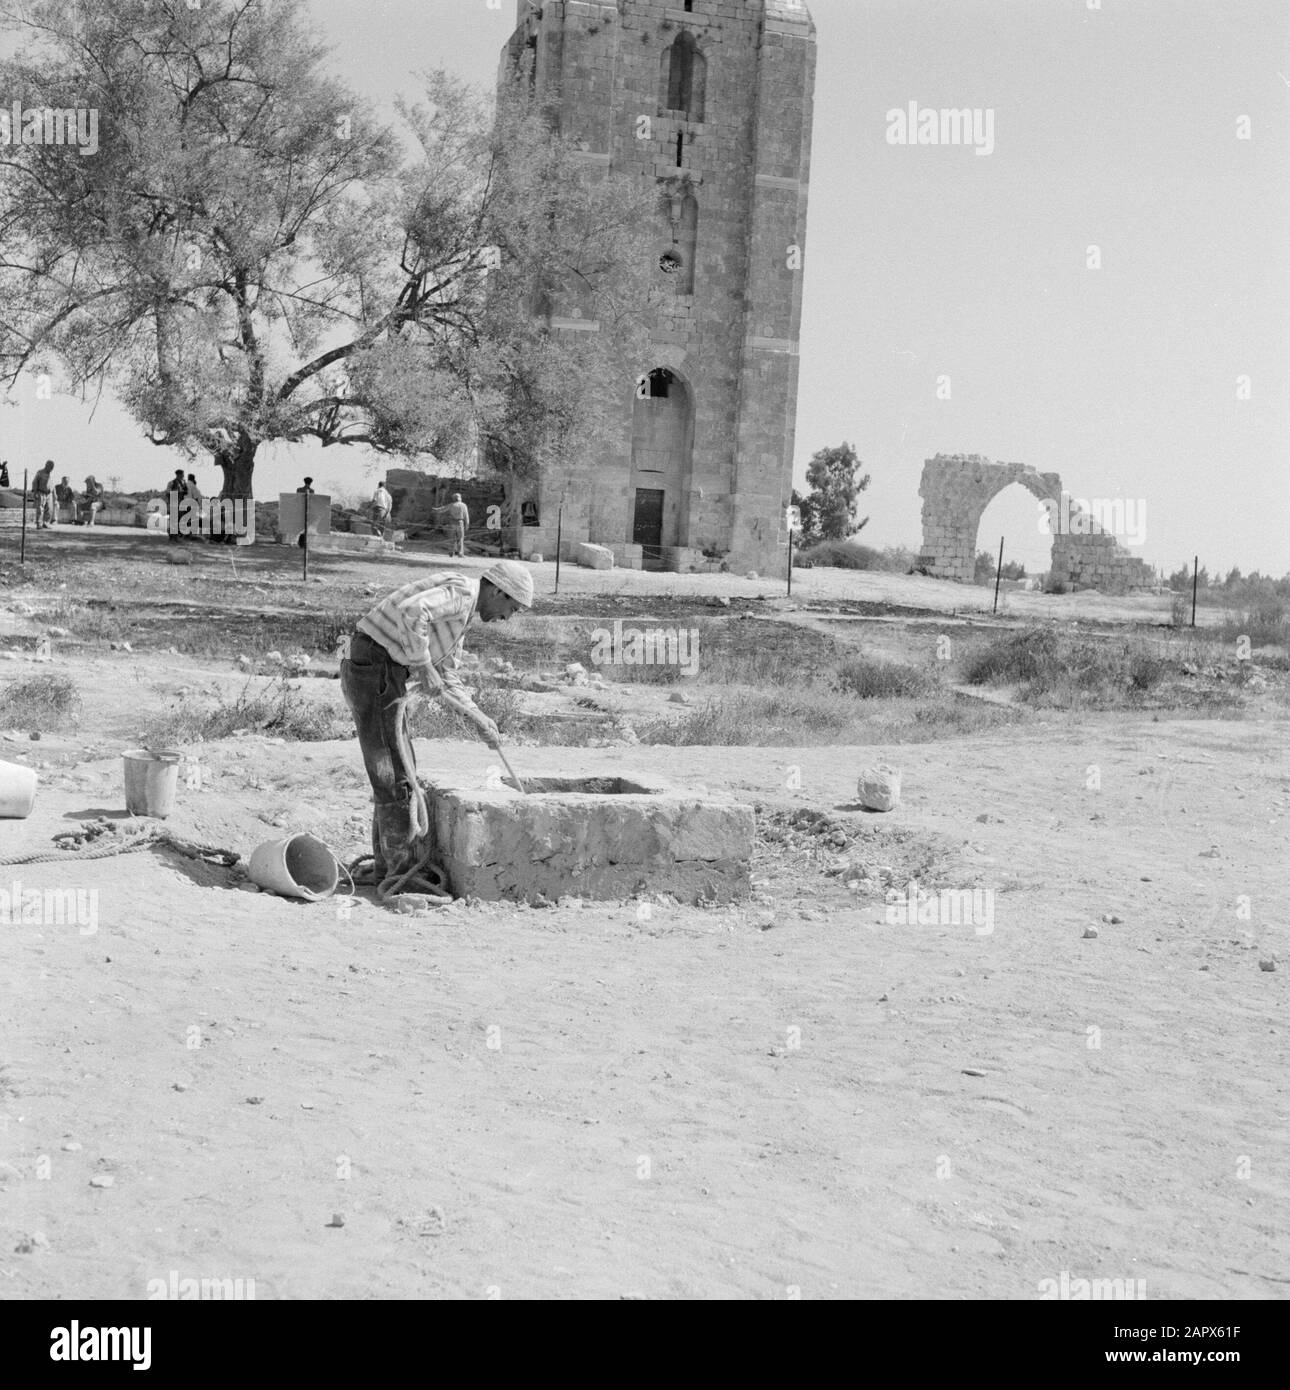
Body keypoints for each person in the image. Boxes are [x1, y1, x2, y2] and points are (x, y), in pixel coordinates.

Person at [340, 561, 534, 903]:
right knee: (395, 772)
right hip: (376, 664)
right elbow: (412, 611)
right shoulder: (461, 592)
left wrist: (480, 719)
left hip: (381, 668)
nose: (508, 618)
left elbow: (447, 676)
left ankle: (390, 870)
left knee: (399, 770)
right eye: (511, 608)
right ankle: (401, 875)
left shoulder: (460, 619)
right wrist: (421, 663)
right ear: (497, 591)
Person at [443, 492, 469, 557]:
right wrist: (467, 524)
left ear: (453, 498)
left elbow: (442, 509)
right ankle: (460, 553)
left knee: (452, 538)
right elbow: (466, 516)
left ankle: (451, 552)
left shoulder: (451, 505)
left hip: (452, 523)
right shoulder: (463, 505)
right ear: (459, 498)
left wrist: (435, 510)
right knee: (460, 539)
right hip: (460, 523)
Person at [165, 469, 187, 542]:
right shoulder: (172, 483)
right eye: (182, 474)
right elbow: (167, 492)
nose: (183, 476)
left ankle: (176, 537)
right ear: (178, 475)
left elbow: (185, 492)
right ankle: (172, 537)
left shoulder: (183, 483)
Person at [32, 461, 54, 528]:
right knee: (40, 508)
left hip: (49, 494)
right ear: (46, 465)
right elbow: (34, 482)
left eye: (52, 467)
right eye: (50, 467)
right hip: (41, 492)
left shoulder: (51, 474)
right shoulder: (40, 472)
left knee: (49, 509)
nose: (51, 469)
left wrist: (53, 492)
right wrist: (35, 492)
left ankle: (46, 523)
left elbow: (52, 484)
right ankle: (38, 523)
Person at [186, 473, 204, 539]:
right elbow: (196, 497)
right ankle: (192, 535)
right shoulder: (193, 486)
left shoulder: (184, 484)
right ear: (193, 479)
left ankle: (186, 534)